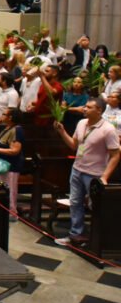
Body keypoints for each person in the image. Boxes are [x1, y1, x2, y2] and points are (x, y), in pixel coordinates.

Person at [52, 97, 120, 246]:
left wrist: (104, 177)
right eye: (85, 107)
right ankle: (76, 235)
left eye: (89, 107)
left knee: (94, 206)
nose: (84, 109)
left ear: (99, 110)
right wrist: (62, 132)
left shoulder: (108, 129)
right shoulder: (81, 123)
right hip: (77, 170)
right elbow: (74, 145)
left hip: (95, 173)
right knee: (75, 202)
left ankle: (99, 239)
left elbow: (115, 155)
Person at [0, 108, 25, 221]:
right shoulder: (8, 128)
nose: (1, 116)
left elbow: (15, 150)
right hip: (3, 164)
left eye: (4, 114)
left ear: (11, 117)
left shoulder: (17, 130)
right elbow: (1, 140)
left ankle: (12, 214)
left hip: (11, 166)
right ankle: (4, 213)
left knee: (10, 191)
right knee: (4, 189)